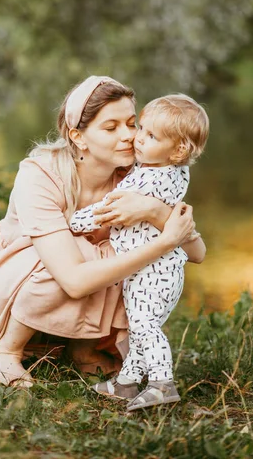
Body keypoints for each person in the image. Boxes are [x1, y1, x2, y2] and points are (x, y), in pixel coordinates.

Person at [0, 76, 205, 388]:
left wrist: (154, 212)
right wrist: (165, 241)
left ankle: (82, 350)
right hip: (2, 294)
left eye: (133, 124)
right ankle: (6, 351)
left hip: (68, 306)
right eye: (111, 127)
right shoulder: (41, 174)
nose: (129, 136)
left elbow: (197, 254)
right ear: (79, 136)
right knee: (88, 253)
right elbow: (73, 280)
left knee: (129, 257)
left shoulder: (140, 177)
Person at [69, 94, 209, 410]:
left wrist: (72, 221)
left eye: (150, 135)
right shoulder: (174, 171)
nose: (138, 139)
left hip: (152, 271)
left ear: (178, 150)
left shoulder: (145, 179)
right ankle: (127, 383)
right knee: (140, 324)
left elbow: (105, 211)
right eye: (141, 128)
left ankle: (162, 382)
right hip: (163, 269)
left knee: (145, 327)